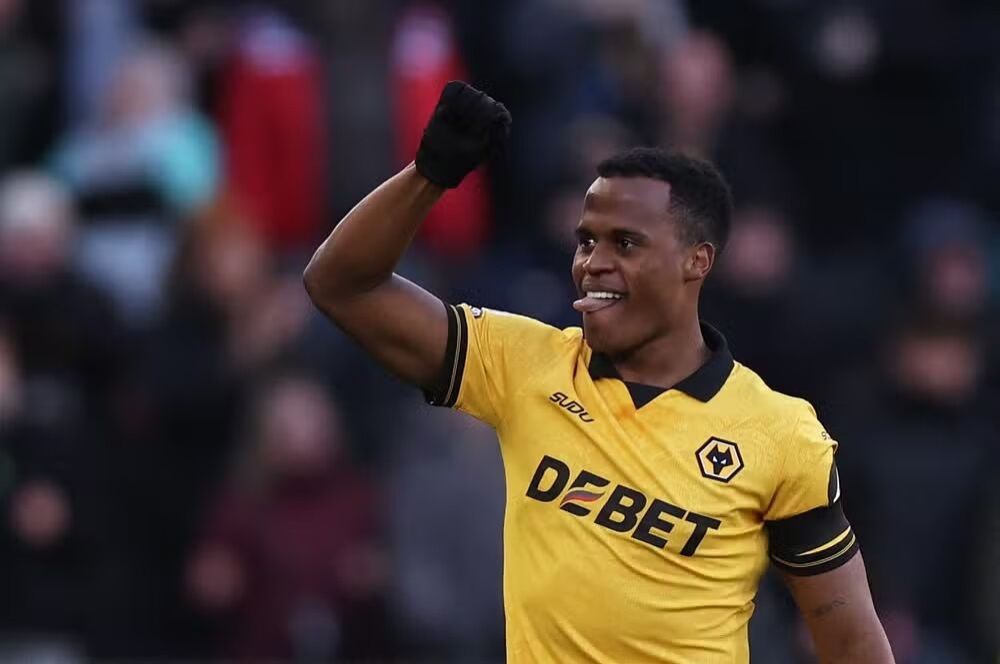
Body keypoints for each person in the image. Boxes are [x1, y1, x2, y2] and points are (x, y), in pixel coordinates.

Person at [303, 81, 894, 663]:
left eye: (625, 244)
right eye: (586, 241)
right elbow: (341, 285)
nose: (593, 263)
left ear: (697, 260)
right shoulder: (524, 363)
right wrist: (429, 174)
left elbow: (849, 640)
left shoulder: (780, 433)